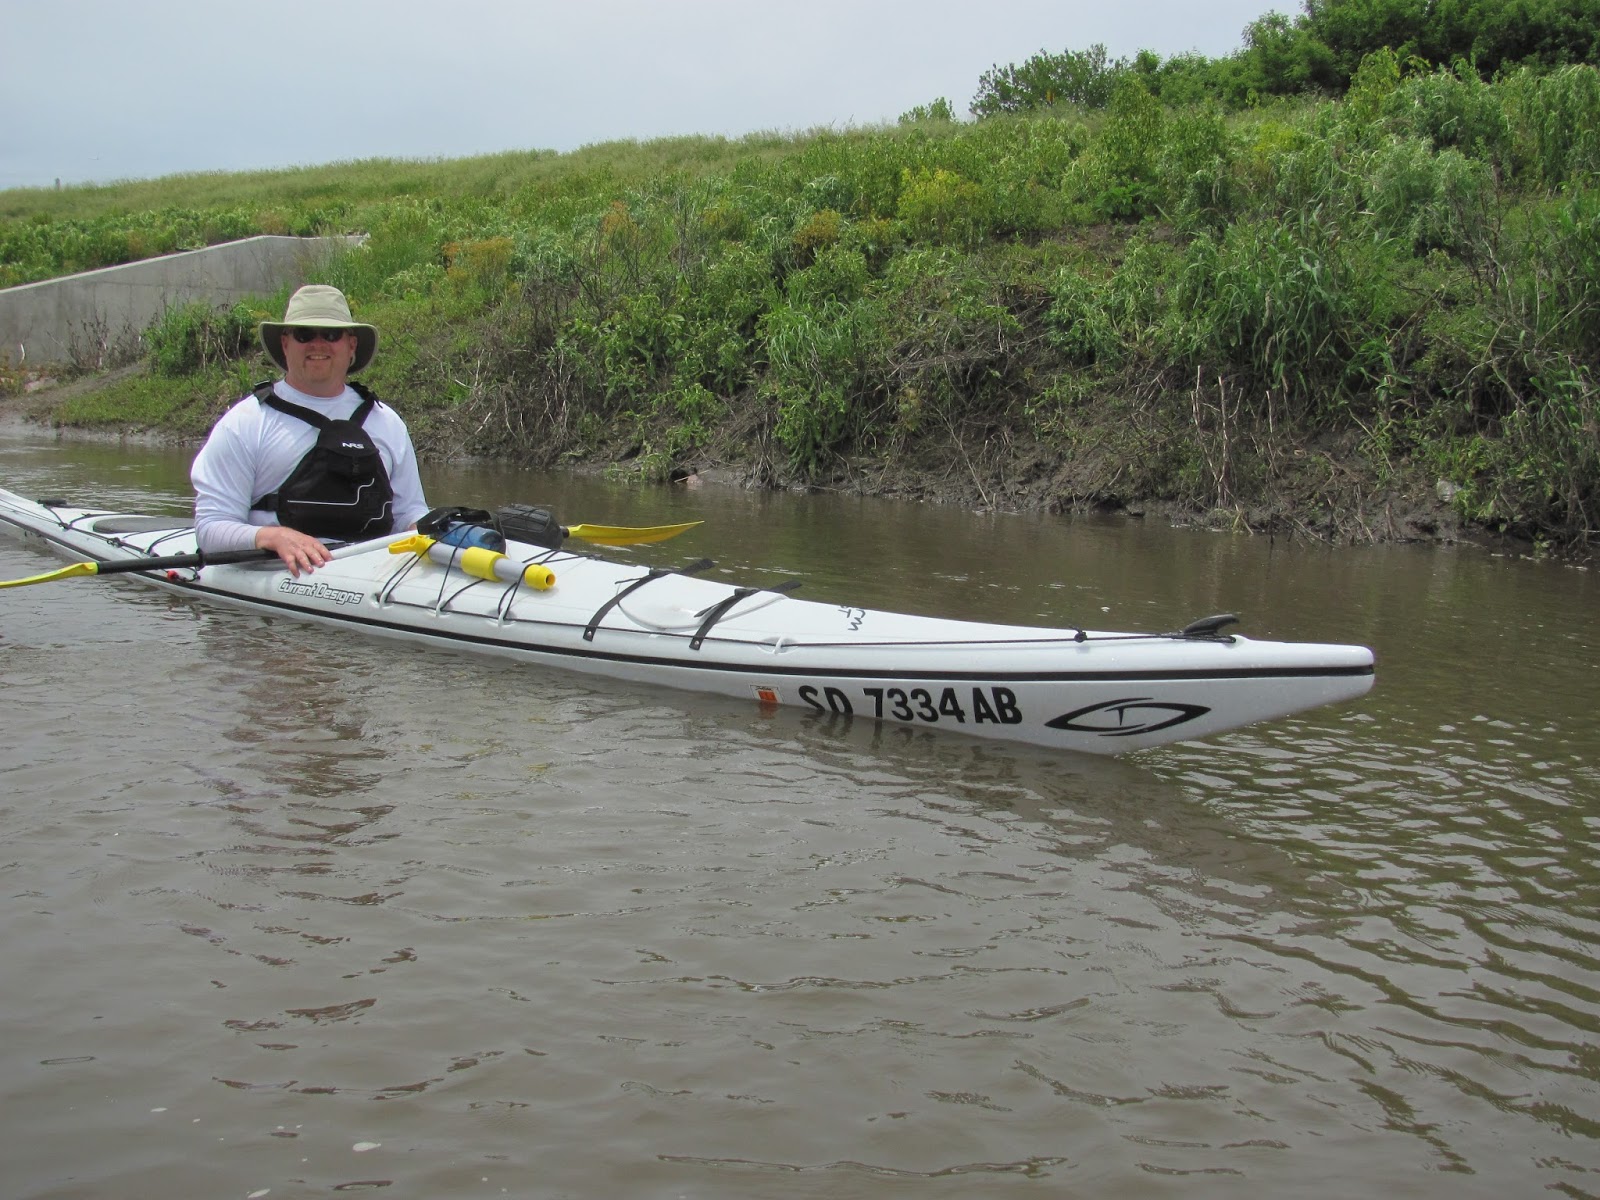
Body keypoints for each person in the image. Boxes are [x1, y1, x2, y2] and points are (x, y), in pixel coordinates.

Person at [191, 284, 429, 576]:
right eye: (305, 334)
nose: (318, 344)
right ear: (286, 343)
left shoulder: (387, 422)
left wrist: (431, 532)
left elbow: (410, 514)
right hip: (277, 571)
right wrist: (274, 536)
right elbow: (210, 529)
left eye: (331, 335)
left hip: (375, 571)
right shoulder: (245, 423)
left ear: (351, 344)